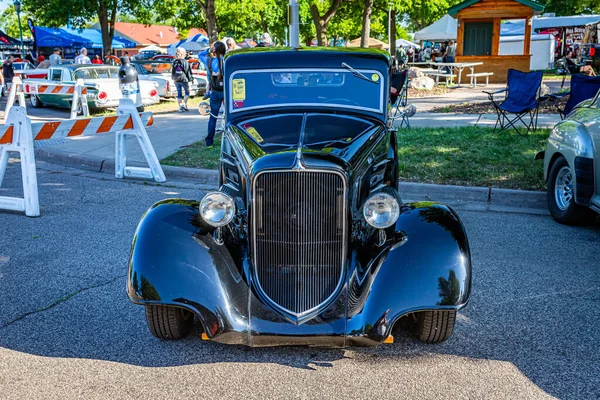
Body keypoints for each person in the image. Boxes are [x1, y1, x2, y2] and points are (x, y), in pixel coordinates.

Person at [198, 41, 226, 147]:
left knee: (213, 117)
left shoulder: (209, 61)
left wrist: (208, 50)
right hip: (227, 92)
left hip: (215, 92)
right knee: (230, 116)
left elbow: (200, 55)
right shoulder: (227, 61)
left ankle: (209, 142)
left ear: (214, 50)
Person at [172, 47, 194, 112]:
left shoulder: (175, 62)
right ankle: (184, 104)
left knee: (179, 93)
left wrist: (173, 77)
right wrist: (191, 79)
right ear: (183, 54)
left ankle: (180, 107)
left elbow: (173, 71)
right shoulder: (185, 62)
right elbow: (188, 71)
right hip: (183, 79)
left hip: (176, 79)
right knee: (187, 92)